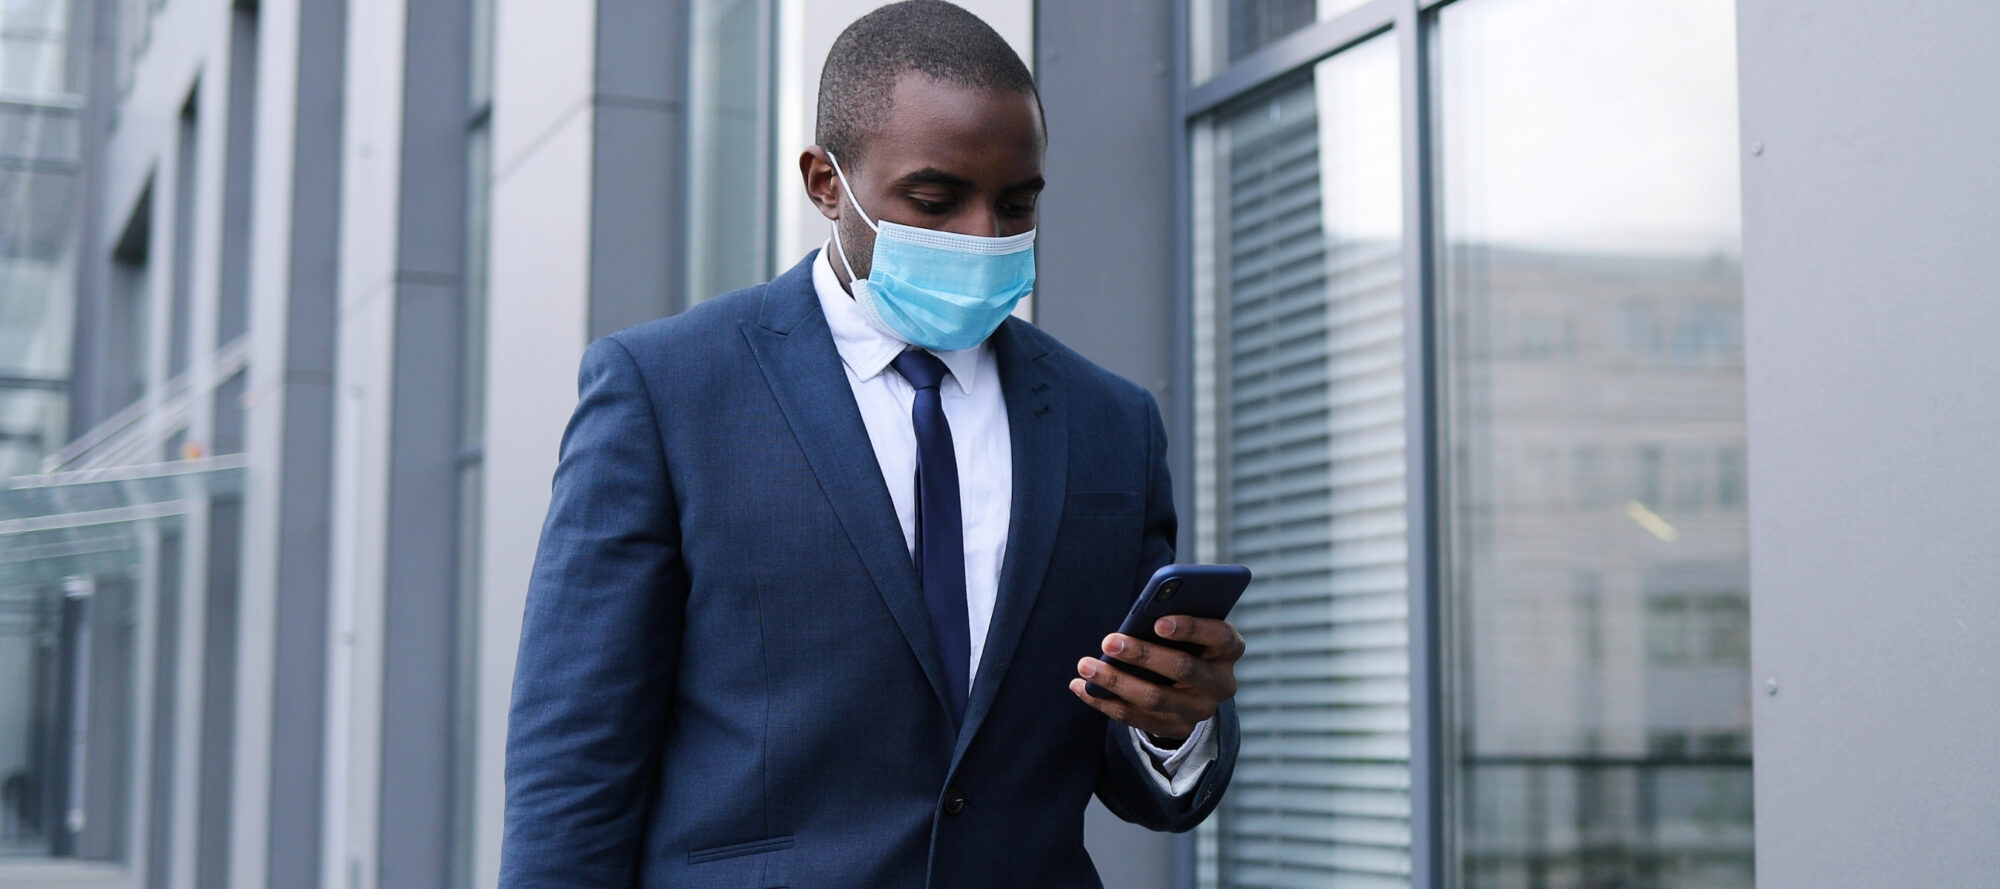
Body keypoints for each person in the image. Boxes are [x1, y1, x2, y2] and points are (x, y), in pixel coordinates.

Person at [499, 3, 1243, 886]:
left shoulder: (1111, 422)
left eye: (1016, 203)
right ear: (825, 182)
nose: (983, 236)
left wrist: (1173, 723)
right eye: (936, 199)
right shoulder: (664, 392)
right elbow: (574, 763)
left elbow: (1140, 779)